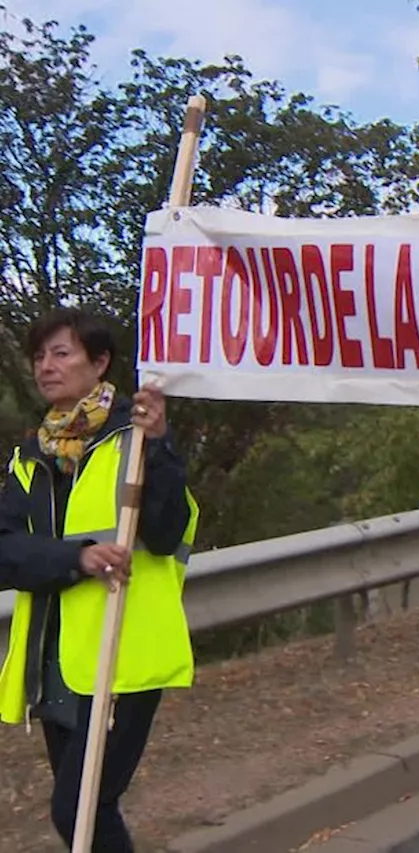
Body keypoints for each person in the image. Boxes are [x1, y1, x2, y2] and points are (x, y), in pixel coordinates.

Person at [0, 307, 198, 852]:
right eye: (39, 356)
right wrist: (77, 558)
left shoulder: (135, 441)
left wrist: (158, 447)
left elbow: (165, 533)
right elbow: (5, 548)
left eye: (61, 353)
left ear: (100, 362)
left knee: (80, 810)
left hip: (123, 659)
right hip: (56, 663)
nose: (46, 366)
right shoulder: (31, 455)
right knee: (82, 819)